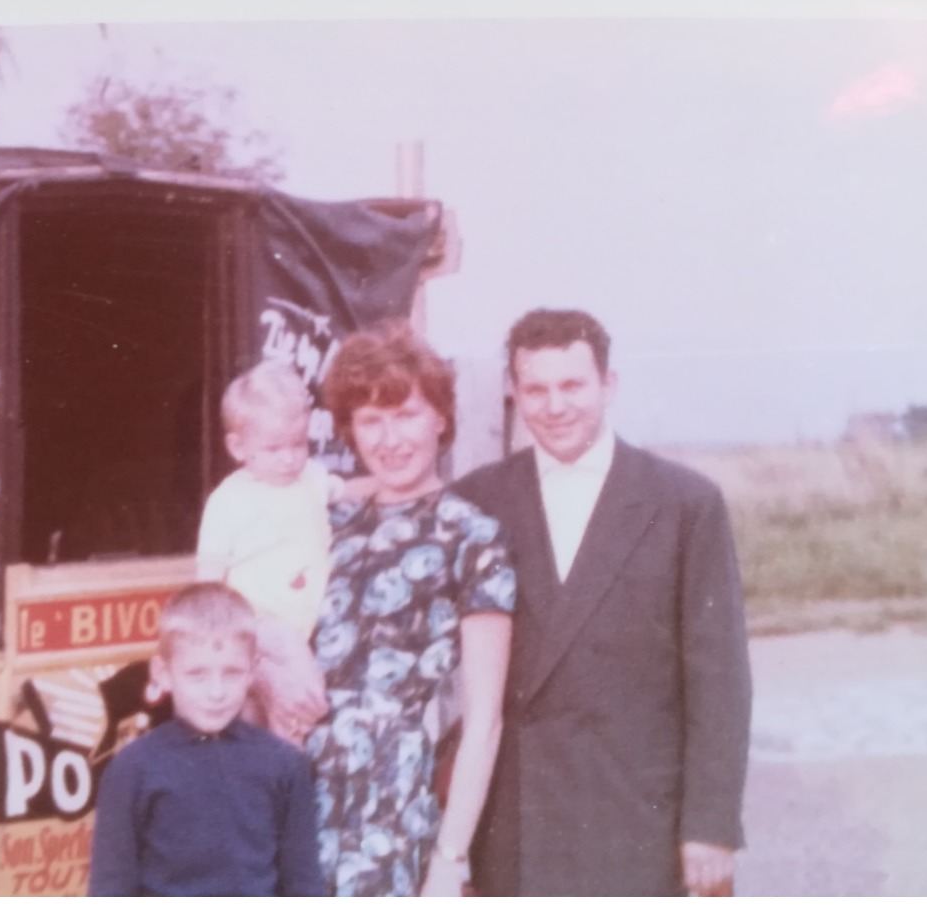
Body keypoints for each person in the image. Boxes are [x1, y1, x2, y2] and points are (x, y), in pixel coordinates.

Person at [454, 309, 752, 897]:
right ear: (514, 393)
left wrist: (711, 825)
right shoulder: (475, 501)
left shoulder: (684, 503)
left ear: (608, 385)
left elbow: (720, 679)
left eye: (572, 385)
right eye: (536, 389)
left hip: (636, 816)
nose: (554, 406)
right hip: (517, 824)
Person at [308, 322, 516, 897]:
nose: (390, 438)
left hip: (388, 802)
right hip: (291, 788)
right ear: (349, 429)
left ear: (441, 419)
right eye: (371, 420)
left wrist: (450, 862)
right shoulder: (327, 523)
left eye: (406, 415)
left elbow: (484, 720)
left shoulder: (471, 538)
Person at [87, 582, 325, 897]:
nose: (216, 692)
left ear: (253, 671)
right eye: (197, 674)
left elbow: (303, 883)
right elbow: (110, 887)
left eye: (232, 673)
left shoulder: (286, 764)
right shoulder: (131, 769)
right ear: (163, 673)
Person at [195, 360, 368, 743]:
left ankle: (277, 770)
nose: (289, 458)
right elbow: (208, 581)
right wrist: (219, 640)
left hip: (308, 622)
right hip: (260, 622)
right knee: (302, 692)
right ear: (238, 447)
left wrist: (388, 485)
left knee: (266, 713)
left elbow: (348, 490)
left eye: (298, 444)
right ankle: (289, 765)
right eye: (273, 448)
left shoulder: (313, 478)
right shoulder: (230, 500)